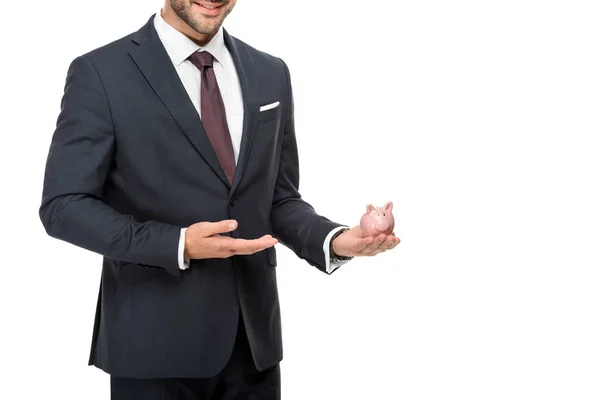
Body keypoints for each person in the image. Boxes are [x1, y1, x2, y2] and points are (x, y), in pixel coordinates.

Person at [39, 1, 400, 398]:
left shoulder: (269, 71)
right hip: (153, 348)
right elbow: (64, 205)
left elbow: (277, 198)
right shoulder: (101, 72)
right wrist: (177, 244)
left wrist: (334, 239)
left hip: (253, 348)